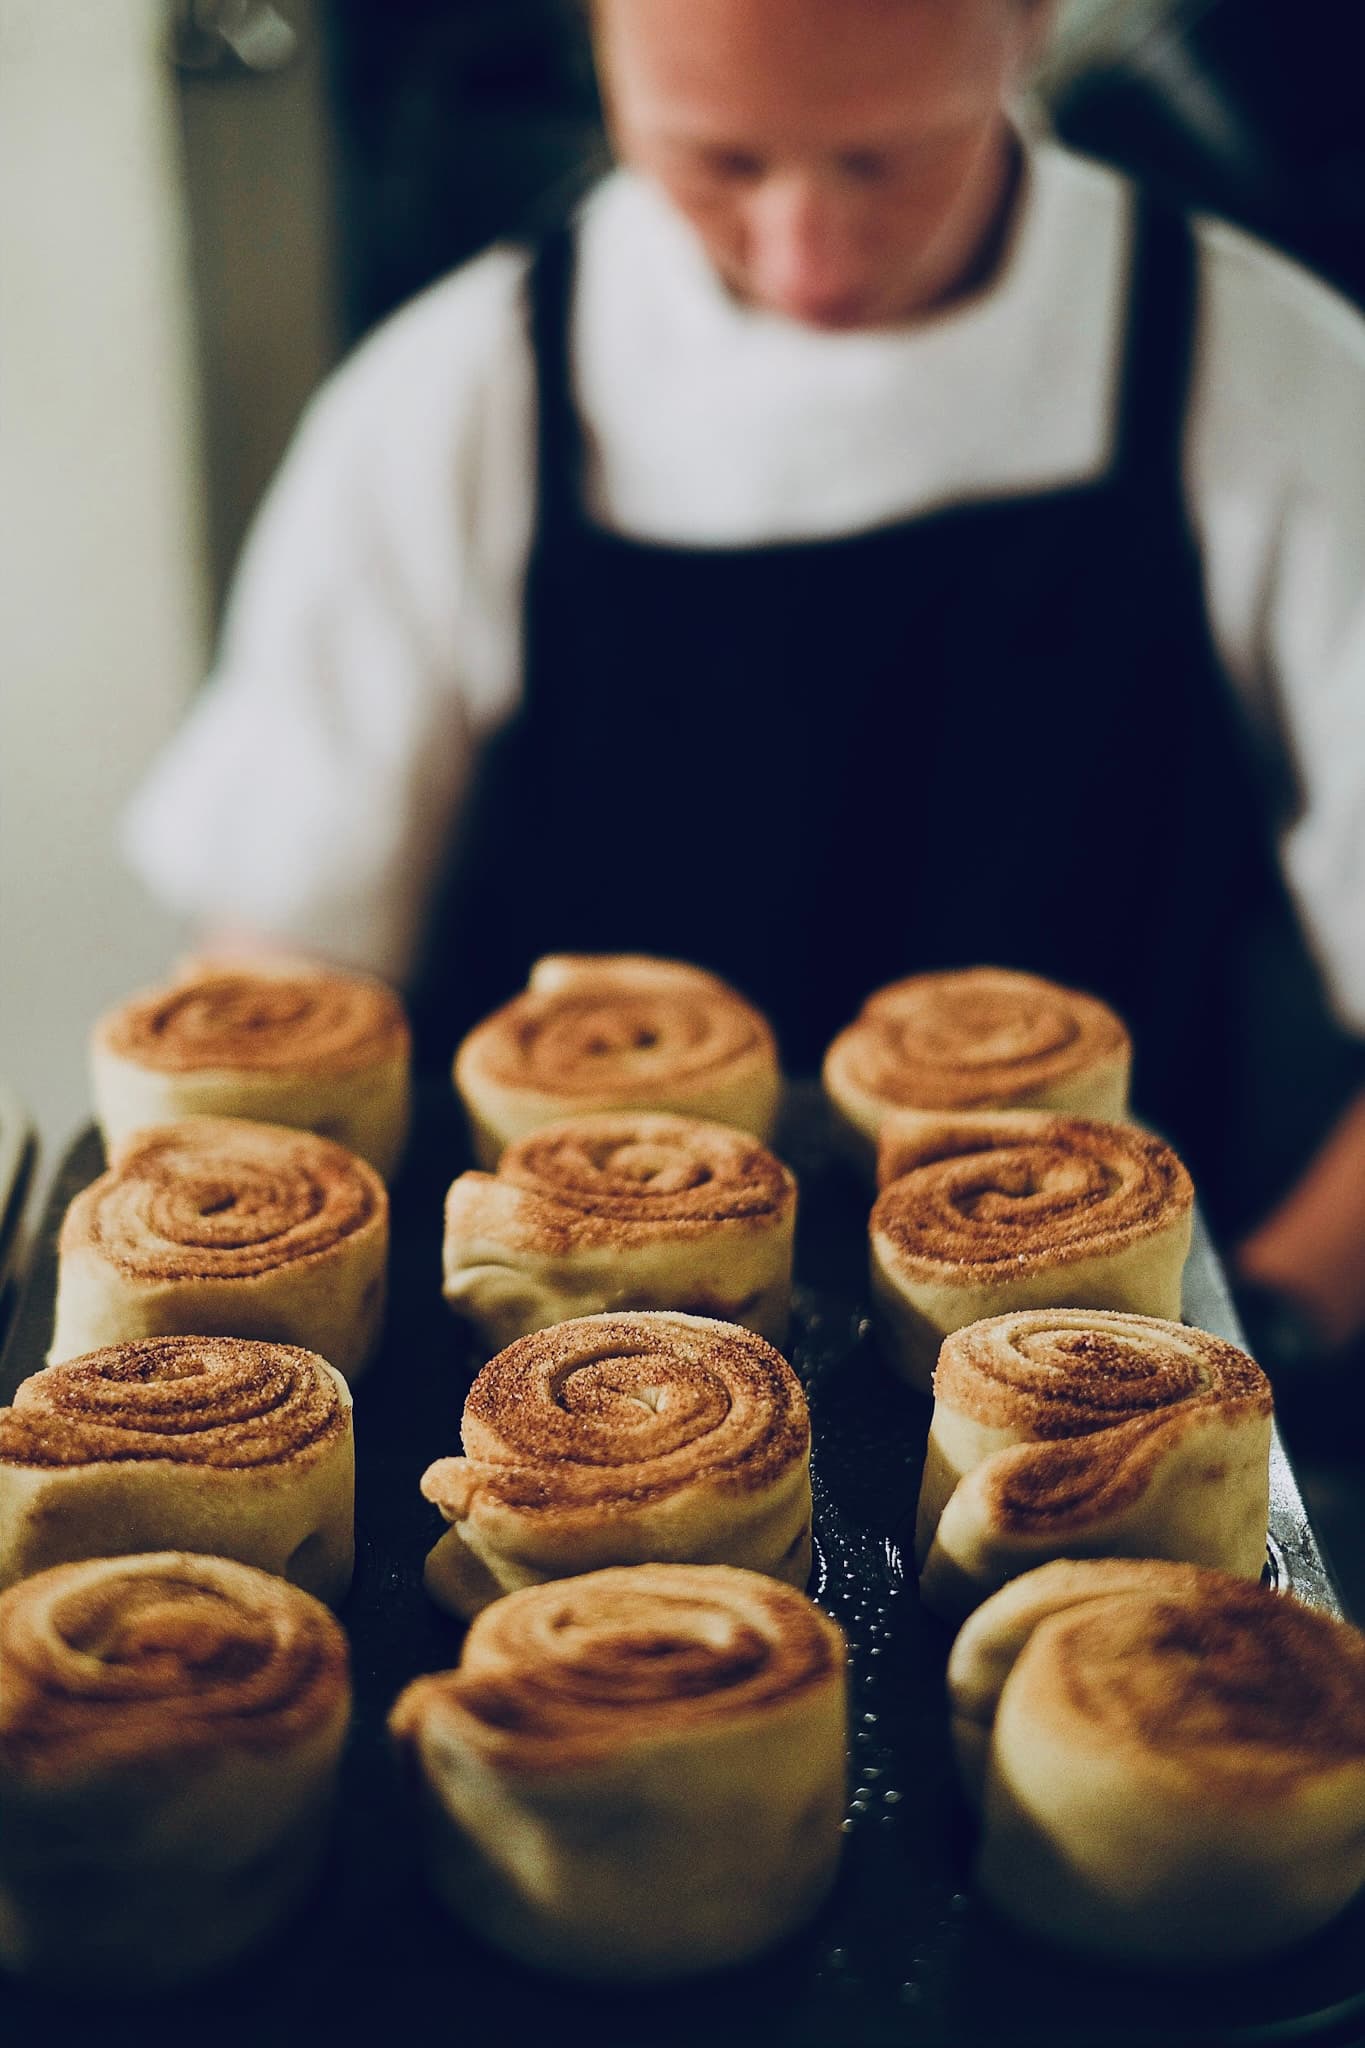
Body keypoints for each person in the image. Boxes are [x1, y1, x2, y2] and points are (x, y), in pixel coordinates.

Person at [125, 0, 1365, 1367]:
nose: (806, 255)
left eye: (885, 160)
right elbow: (286, 969)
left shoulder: (1263, 369)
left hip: (1090, 1333)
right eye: (716, 163)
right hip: (567, 1364)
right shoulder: (453, 397)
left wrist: (1283, 1322)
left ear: (1026, 28)